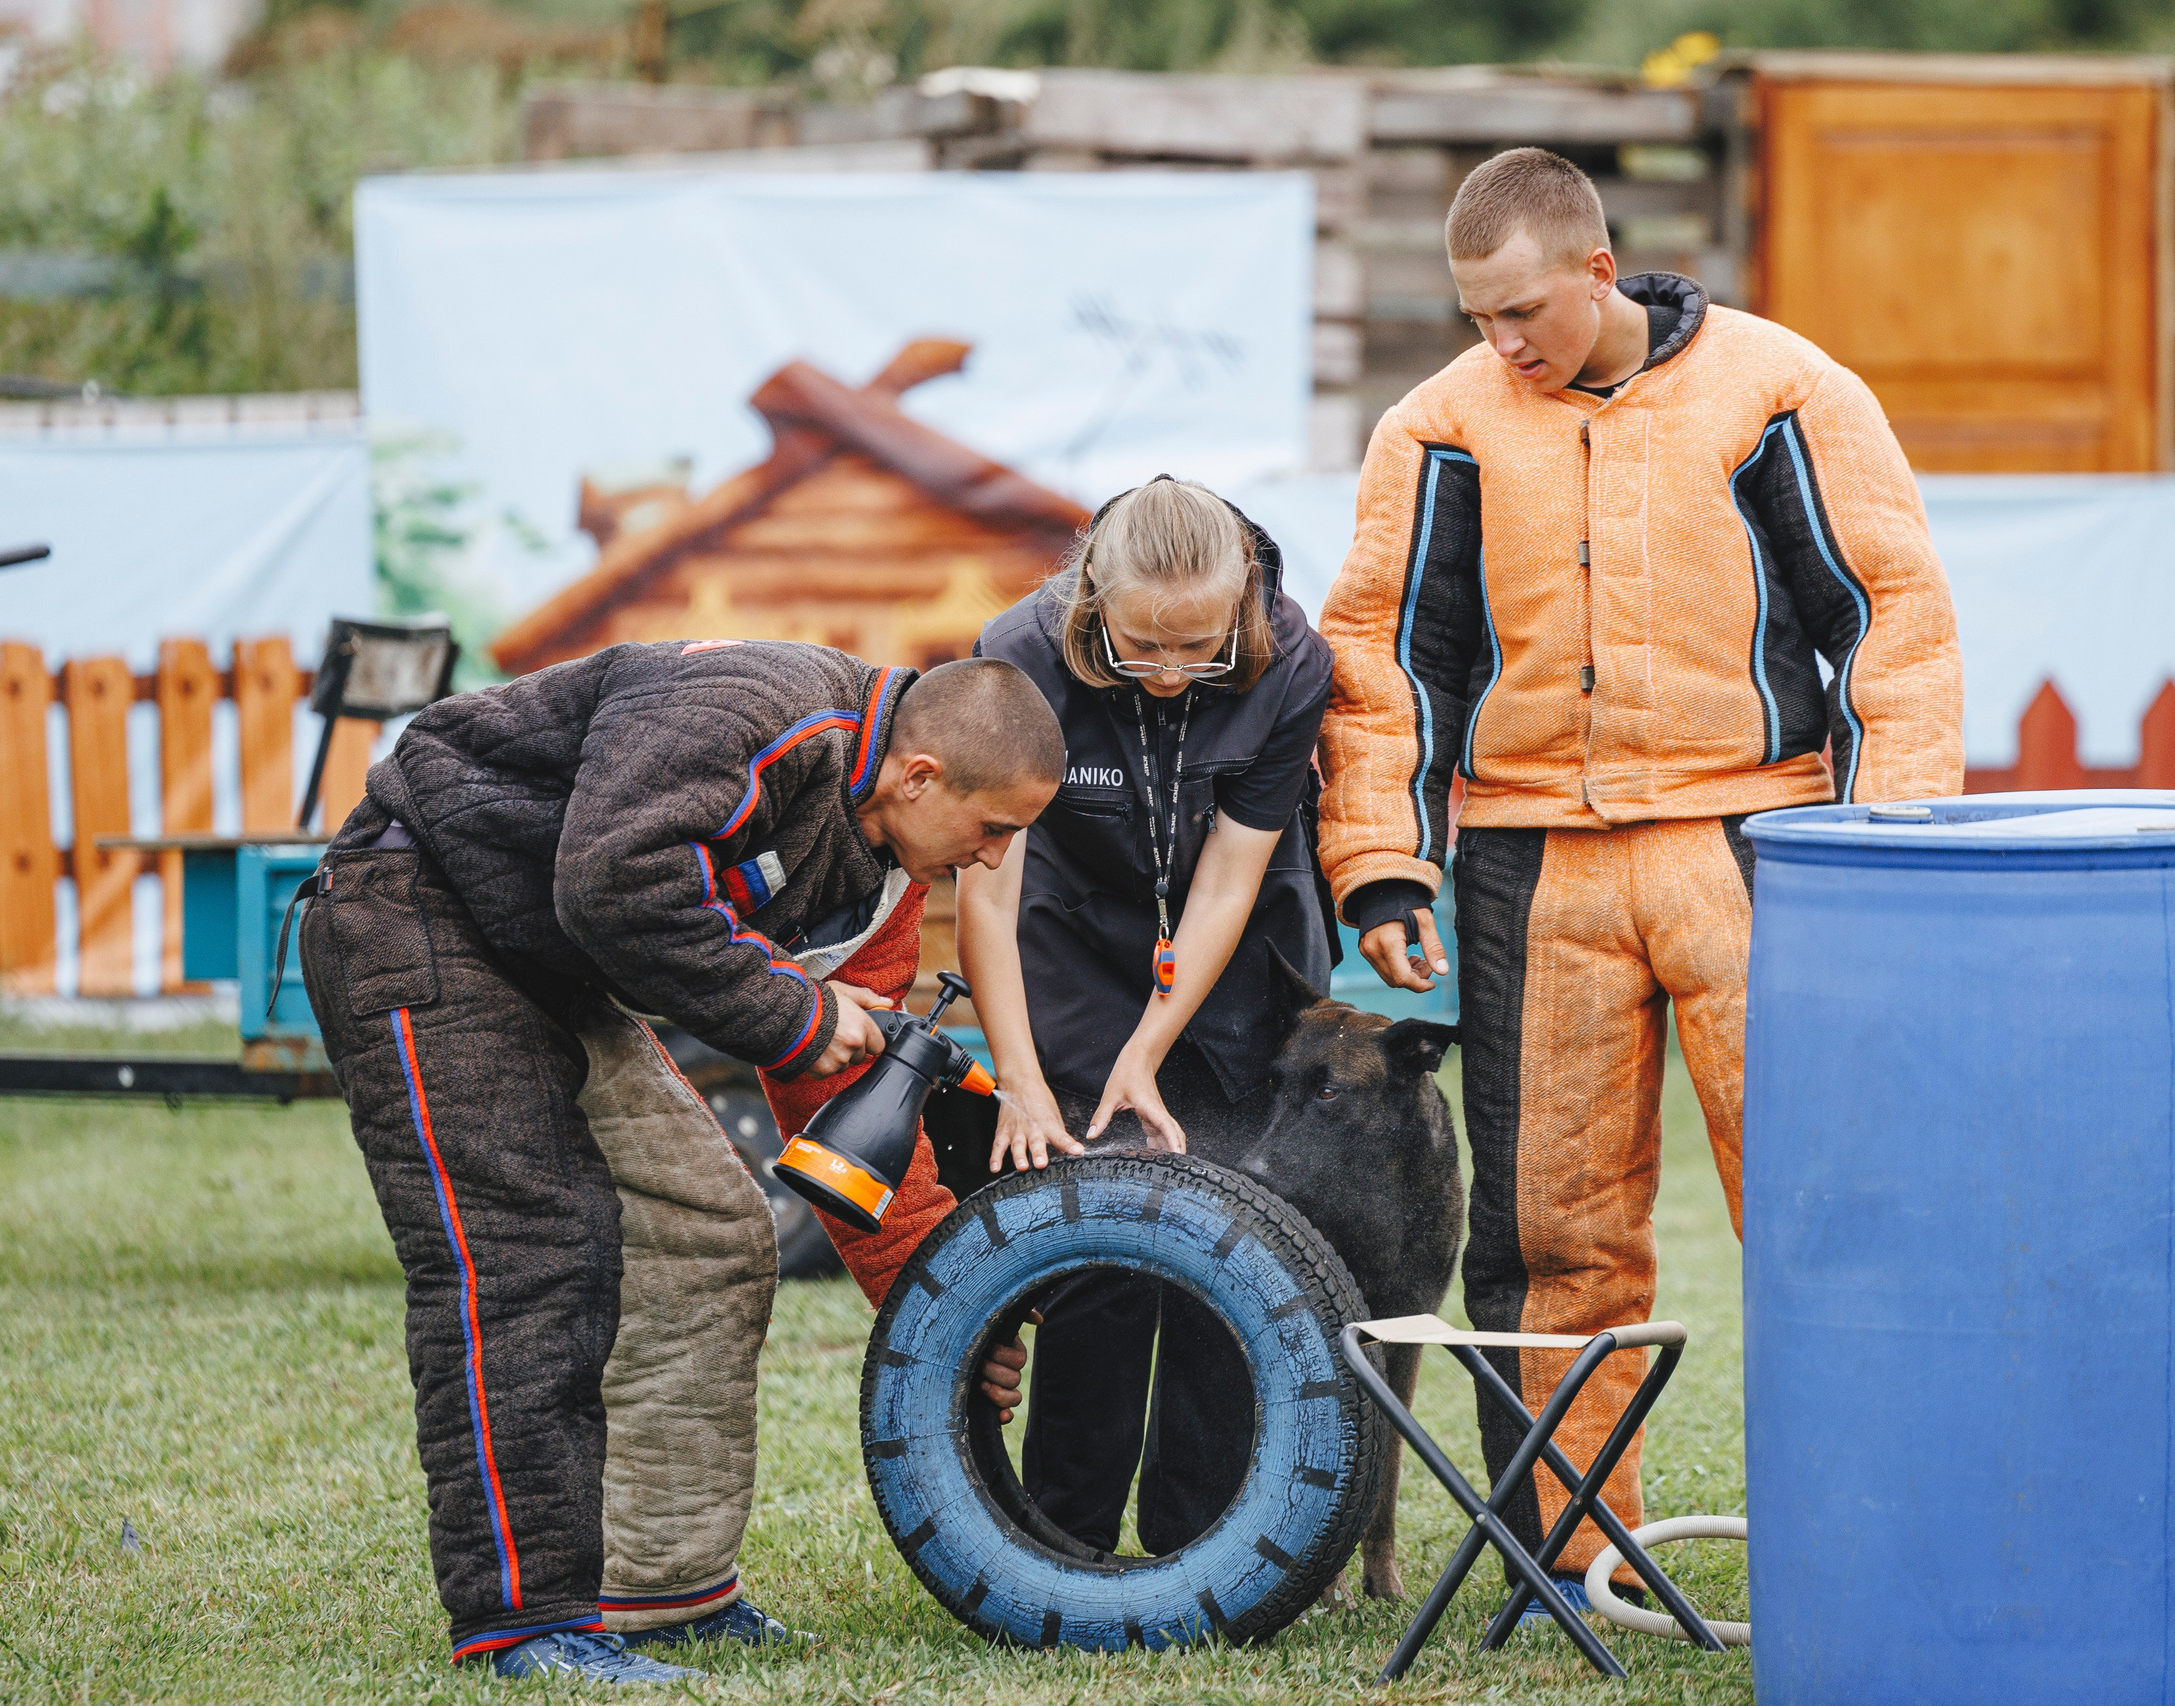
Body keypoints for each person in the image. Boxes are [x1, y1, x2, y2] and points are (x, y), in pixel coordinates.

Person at [1316, 148, 1963, 1615]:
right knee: (1551, 1239)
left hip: (1762, 846)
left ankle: (1890, 1536)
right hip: (1531, 860)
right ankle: (1571, 1560)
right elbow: (1386, 667)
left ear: (1600, 272)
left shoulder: (1782, 390)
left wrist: (1888, 845)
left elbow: (1890, 620)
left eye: (1524, 311)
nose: (1502, 343)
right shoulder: (1435, 430)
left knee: (1832, 1210)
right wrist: (1380, 866)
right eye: (1478, 318)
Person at [300, 645, 1063, 1682]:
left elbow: (840, 1097)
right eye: (994, 830)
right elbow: (610, 880)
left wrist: (945, 1311)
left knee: (711, 1228)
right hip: (413, 910)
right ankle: (522, 1625)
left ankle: (665, 1597)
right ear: (922, 775)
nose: (988, 860)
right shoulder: (753, 712)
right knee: (529, 1255)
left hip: (543, 956)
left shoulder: (883, 861)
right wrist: (797, 1011)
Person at [955, 475, 1336, 1558]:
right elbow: (987, 883)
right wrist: (1023, 1075)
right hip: (1071, 933)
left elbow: (1228, 878)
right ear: (1090, 601)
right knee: (1099, 1228)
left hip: (1237, 942)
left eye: (1200, 651)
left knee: (1233, 1226)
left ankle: (1199, 1537)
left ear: (1241, 608)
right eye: (1140, 649)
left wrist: (1151, 1048)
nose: (1172, 676)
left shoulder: (1289, 656)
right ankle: (1062, 1537)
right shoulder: (1016, 652)